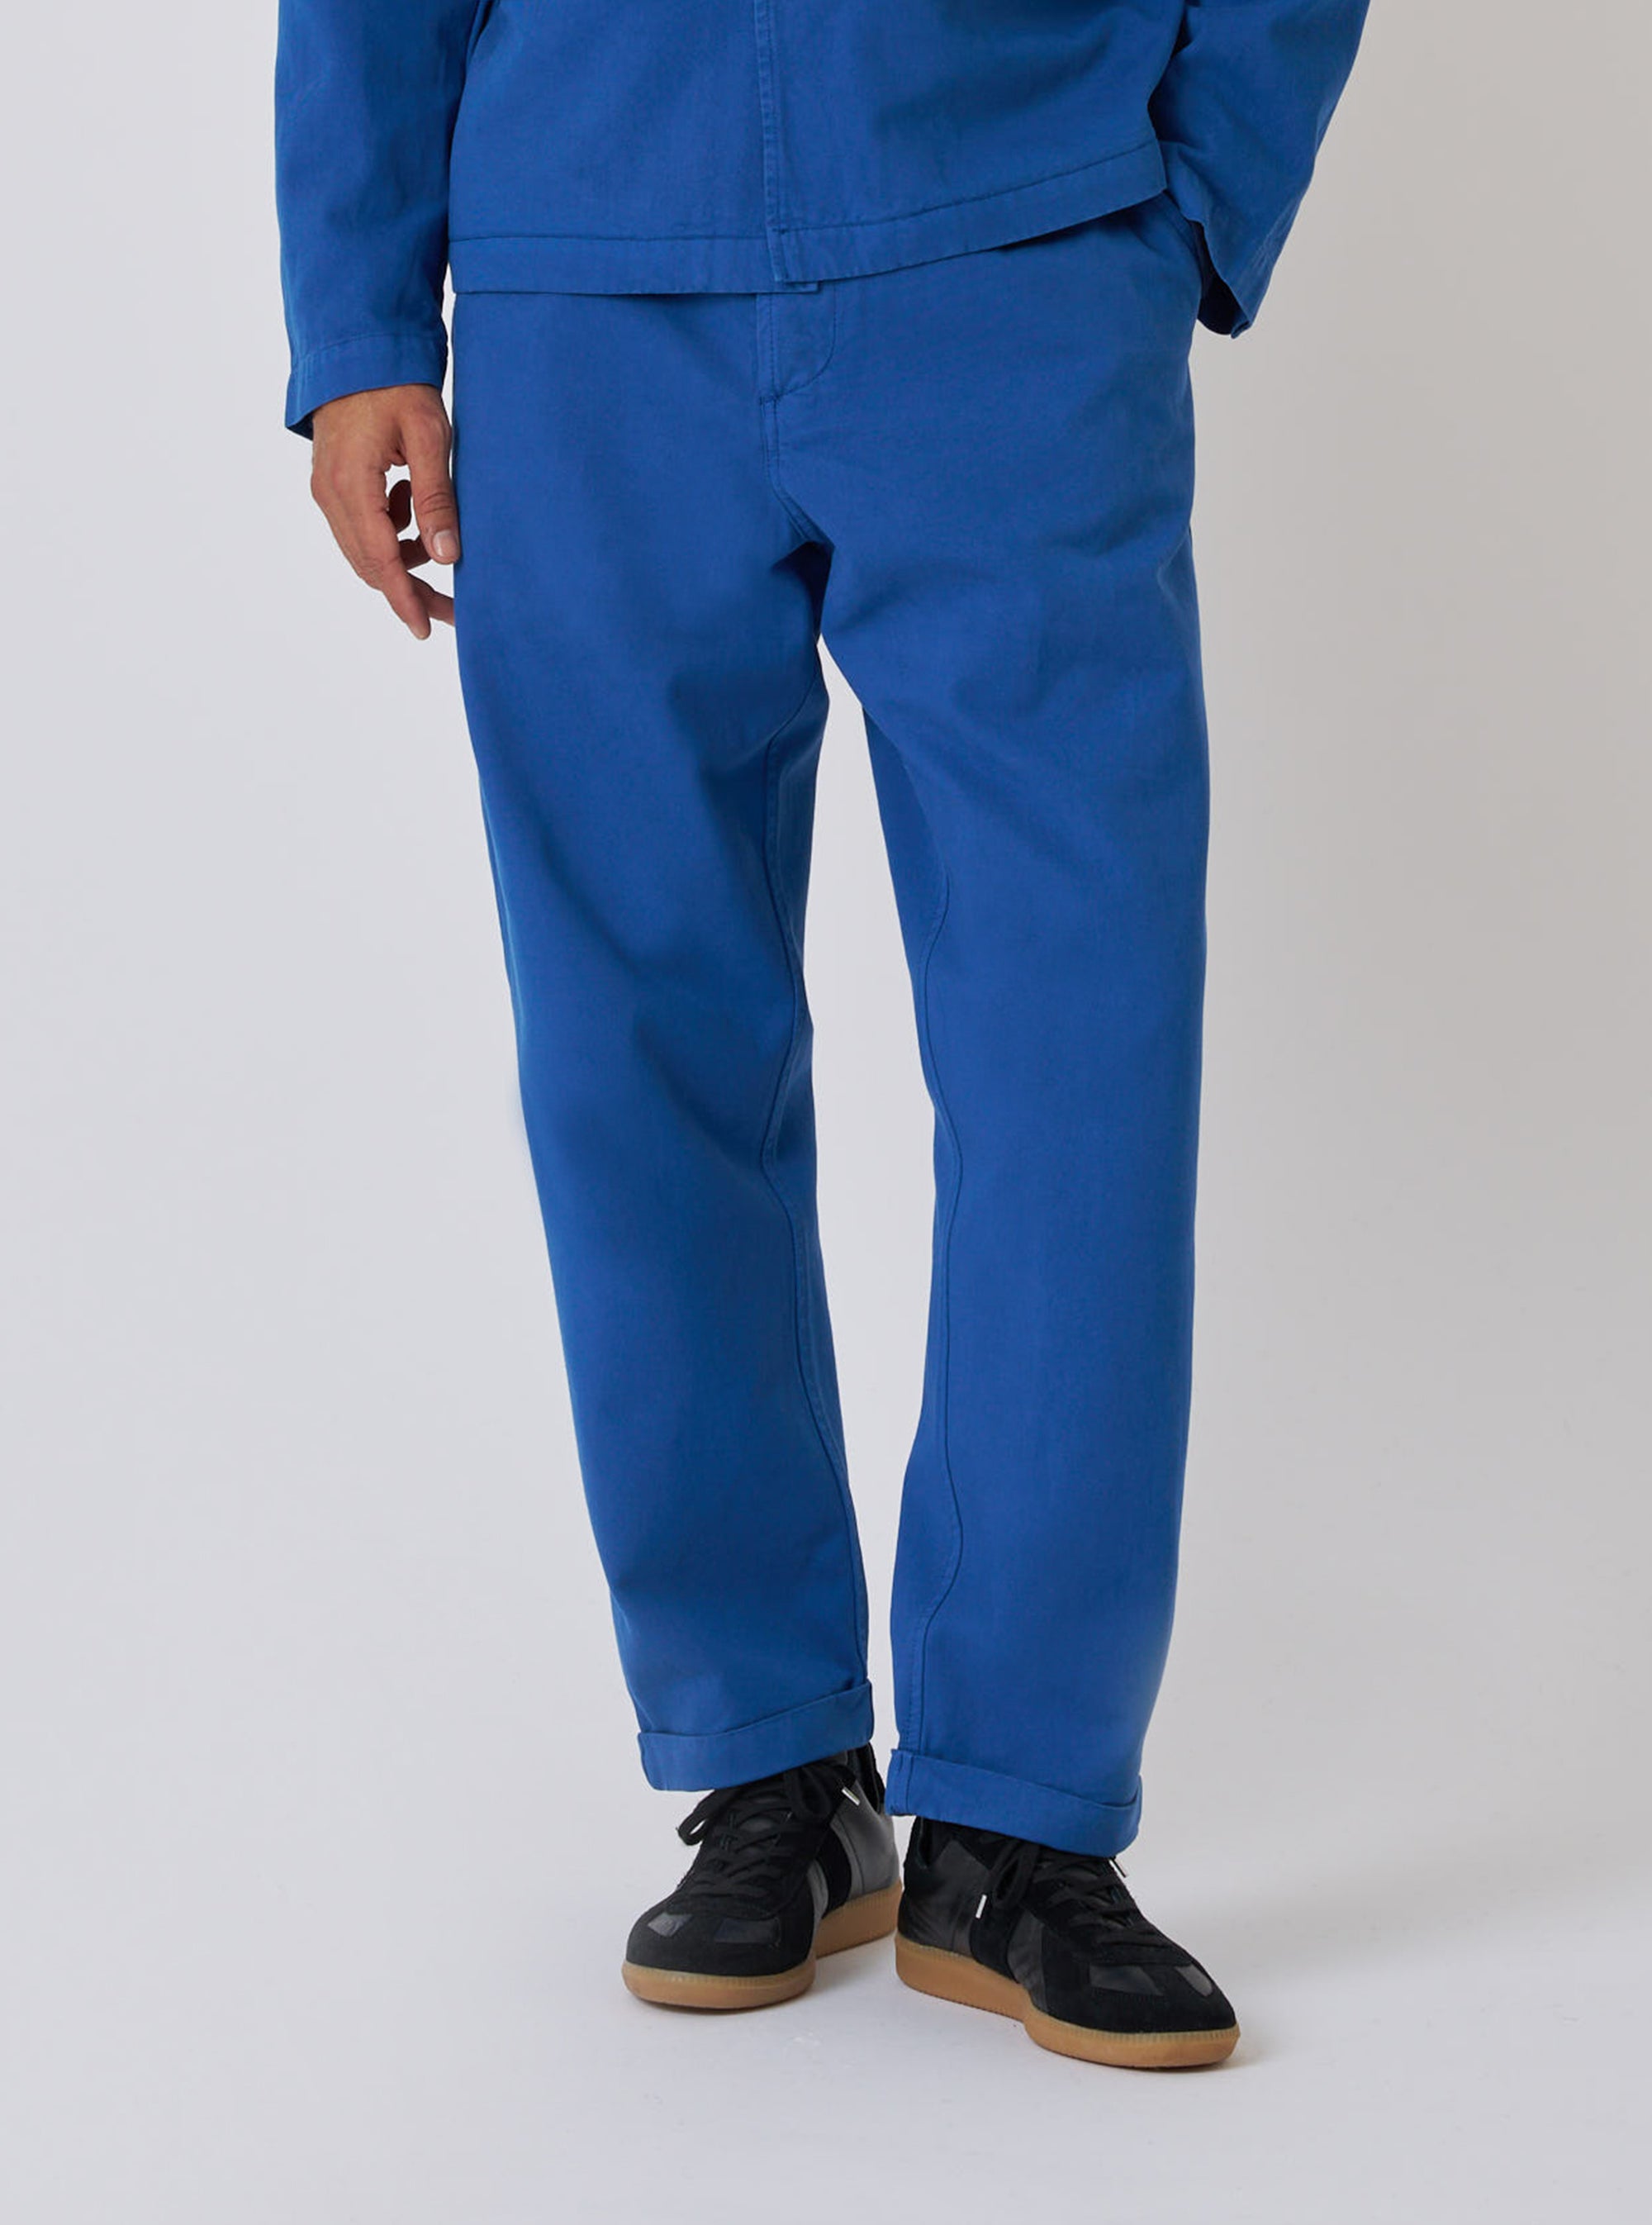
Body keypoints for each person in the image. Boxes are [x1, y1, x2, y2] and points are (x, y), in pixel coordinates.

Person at [276, 1, 1366, 2070]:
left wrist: (1198, 187)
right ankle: (766, 1758)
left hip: (1016, 253)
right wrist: (357, 312)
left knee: (1079, 1059)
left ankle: (1022, 1819)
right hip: (584, 283)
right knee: (634, 1060)